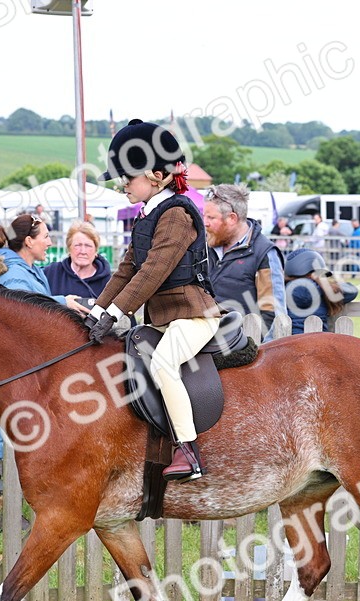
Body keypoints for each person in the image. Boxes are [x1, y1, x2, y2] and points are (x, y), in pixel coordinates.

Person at [89, 119, 222, 481]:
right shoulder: (148, 215)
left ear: (156, 175)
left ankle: (188, 450)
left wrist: (116, 312)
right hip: (164, 318)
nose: (122, 185)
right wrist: (97, 310)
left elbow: (152, 273)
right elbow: (127, 269)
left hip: (194, 316)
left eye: (128, 178)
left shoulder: (177, 214)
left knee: (163, 364)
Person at [202, 183, 287, 341]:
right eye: (204, 215)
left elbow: (273, 314)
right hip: (203, 344)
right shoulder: (203, 248)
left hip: (244, 352)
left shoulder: (264, 253)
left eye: (211, 217)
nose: (204, 222)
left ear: (232, 218)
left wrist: (252, 351)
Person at [0, 213, 89, 312]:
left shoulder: (31, 270)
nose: (50, 243)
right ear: (29, 241)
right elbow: (21, 310)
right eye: (46, 237)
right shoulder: (14, 275)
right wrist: (63, 303)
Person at [283, 249, 358, 334]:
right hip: (319, 342)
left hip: (290, 343)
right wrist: (324, 282)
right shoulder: (321, 290)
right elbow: (352, 291)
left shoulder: (284, 288)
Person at [43, 219, 112, 305]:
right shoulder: (52, 273)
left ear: (96, 251)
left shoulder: (108, 282)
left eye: (88, 246)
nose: (83, 251)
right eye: (78, 245)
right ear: (69, 248)